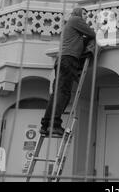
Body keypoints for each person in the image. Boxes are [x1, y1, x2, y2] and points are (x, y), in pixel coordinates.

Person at [40, 7, 96, 136]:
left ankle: (45, 125)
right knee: (64, 93)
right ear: (78, 13)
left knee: (56, 93)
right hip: (68, 60)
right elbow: (92, 34)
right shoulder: (76, 19)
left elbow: (81, 39)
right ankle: (55, 125)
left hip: (62, 60)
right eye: (85, 14)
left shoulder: (71, 25)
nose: (86, 17)